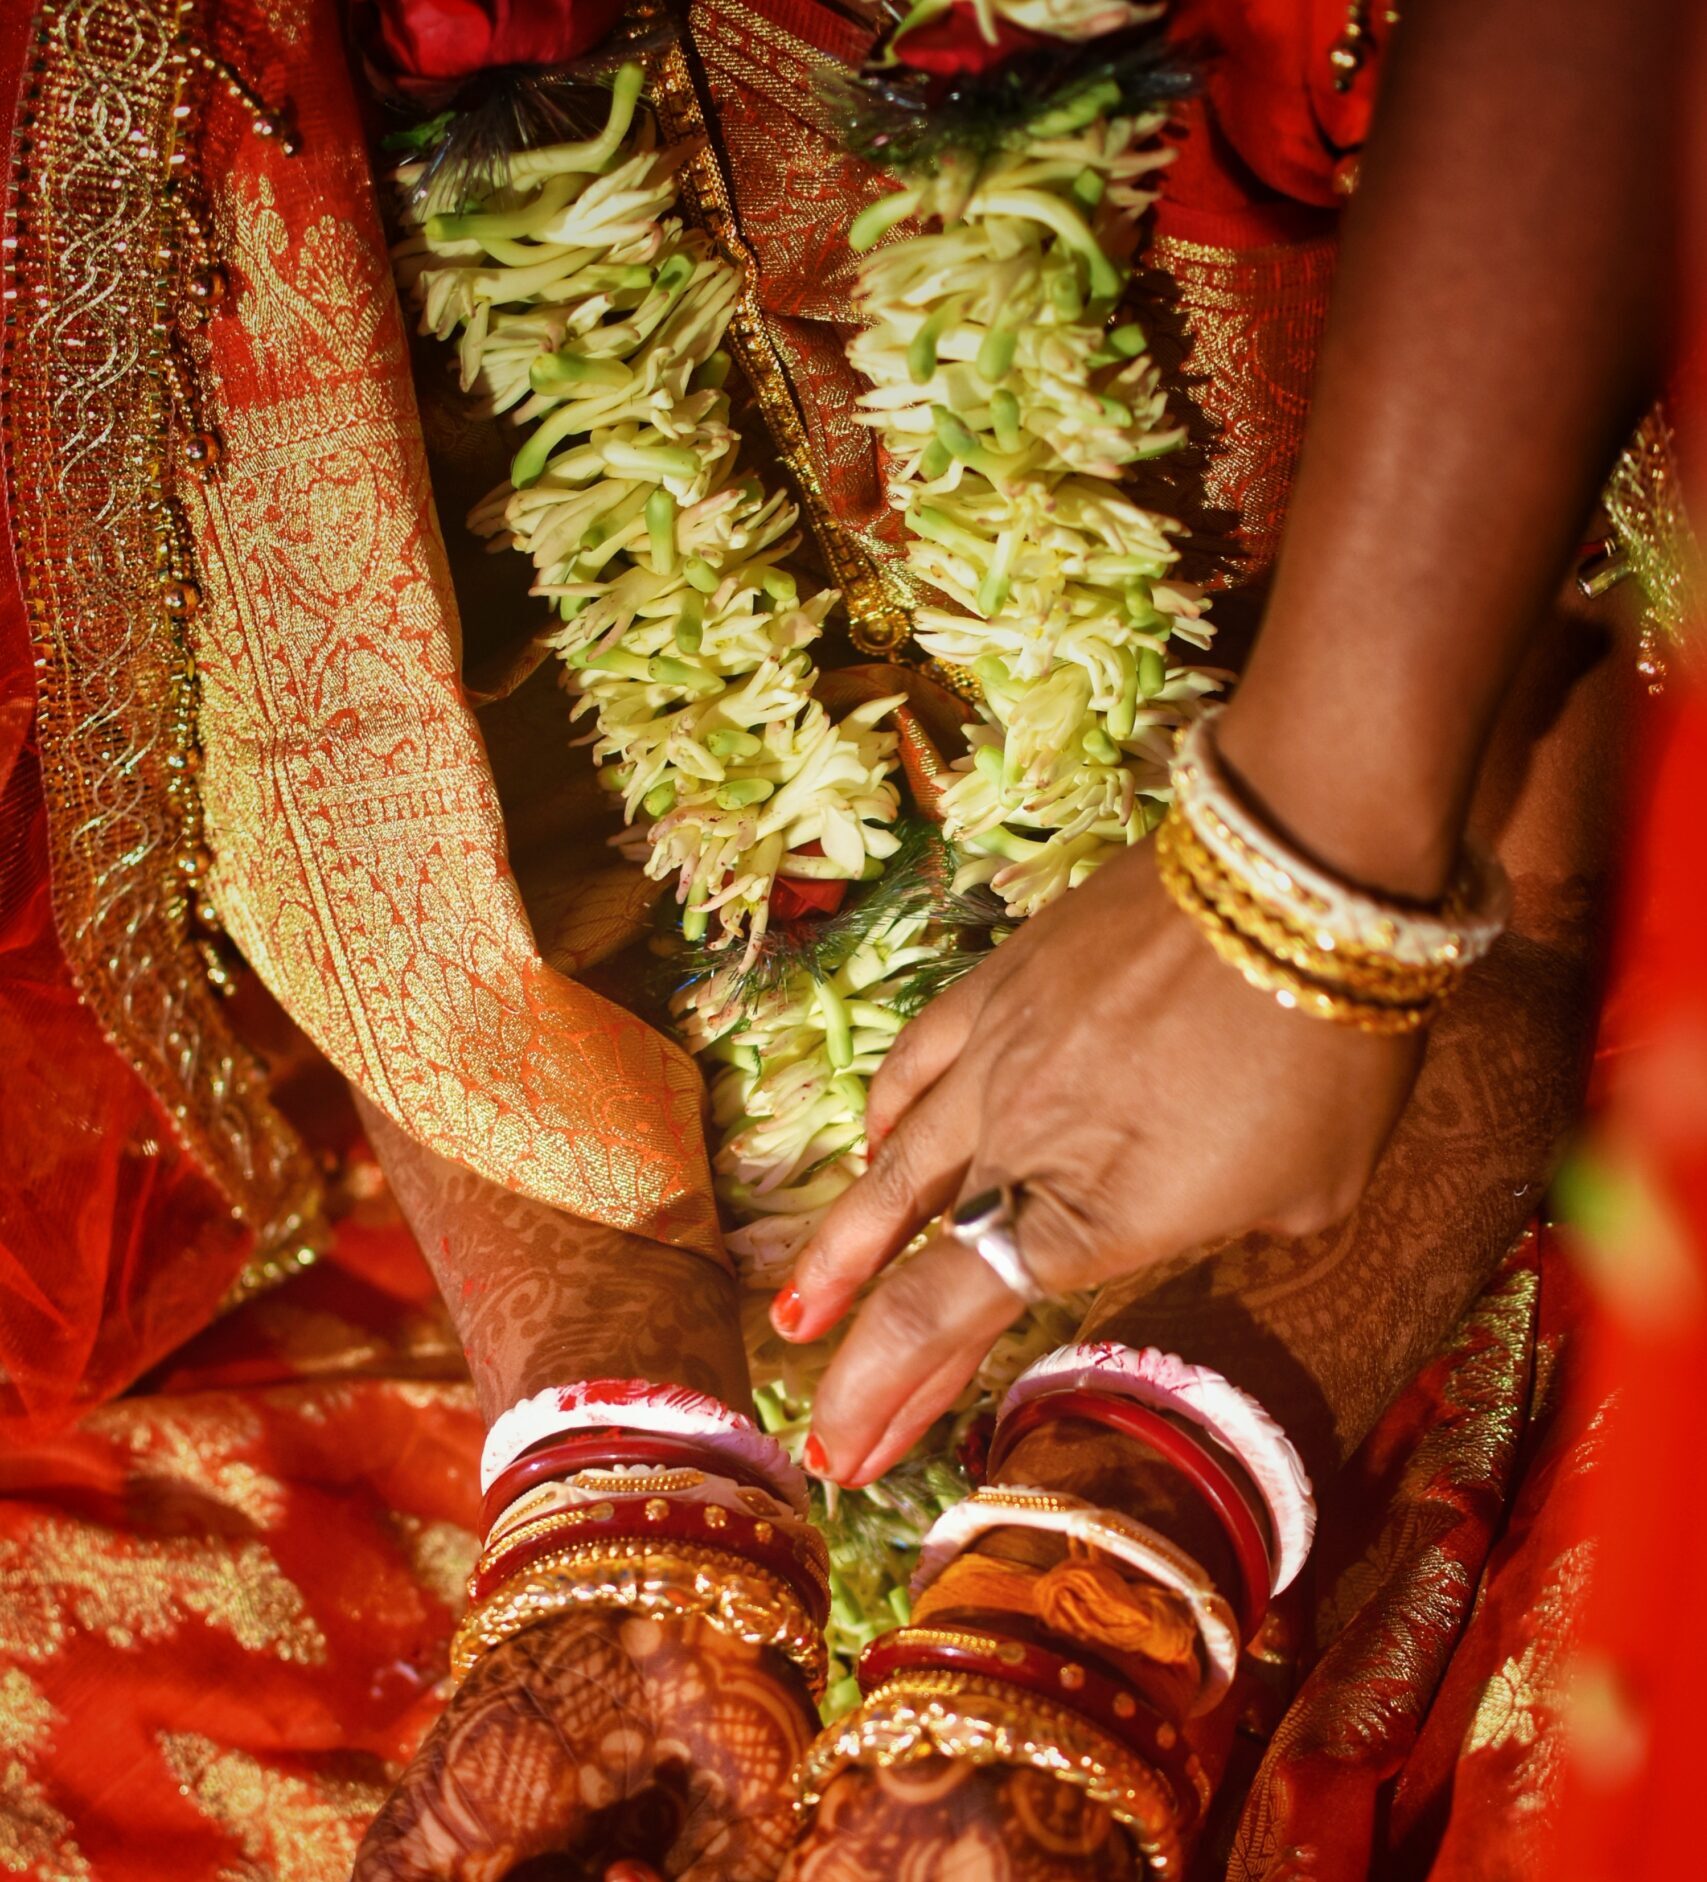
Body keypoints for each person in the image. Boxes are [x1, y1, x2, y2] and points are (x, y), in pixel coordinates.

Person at [0, 0, 1689, 1876]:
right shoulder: (191, 63)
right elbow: (353, 759)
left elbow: (1559, 842)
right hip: (608, 1199)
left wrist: (1295, 874)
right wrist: (621, 1518)